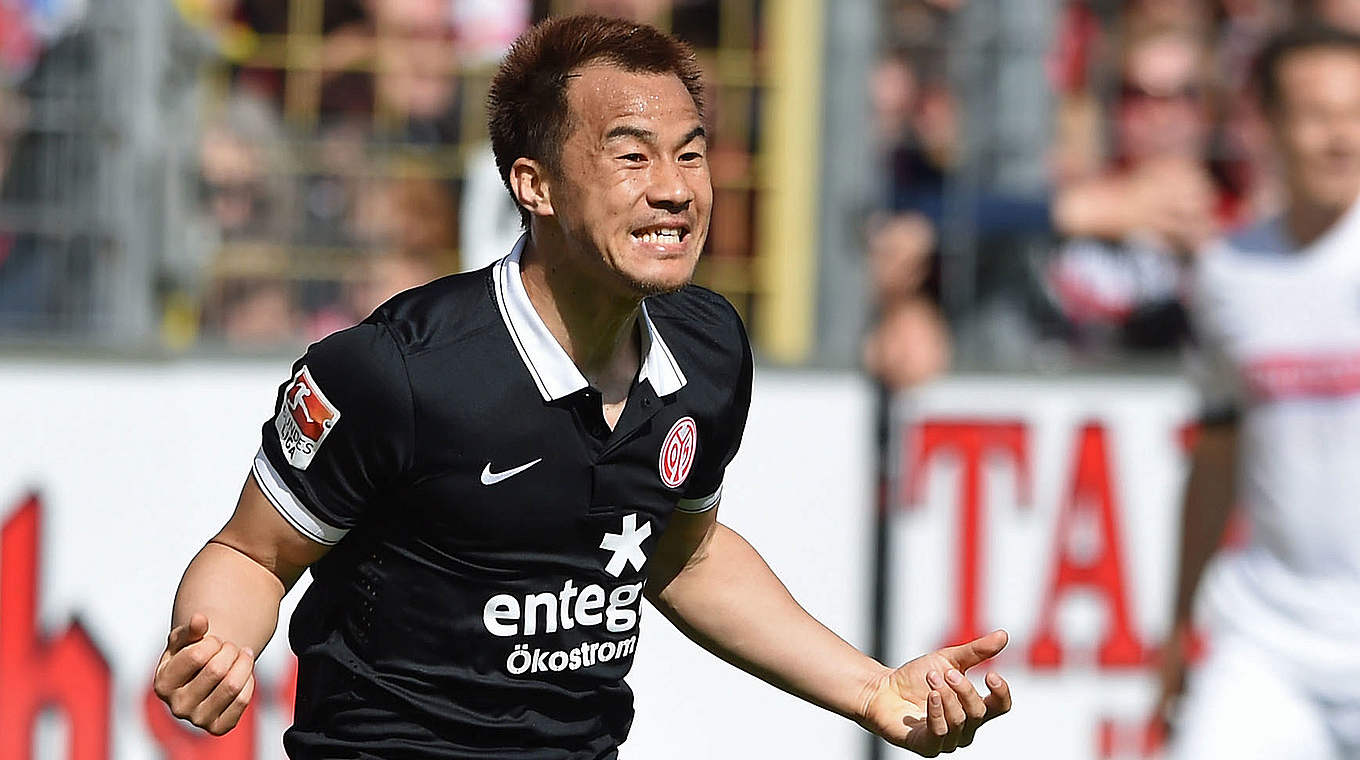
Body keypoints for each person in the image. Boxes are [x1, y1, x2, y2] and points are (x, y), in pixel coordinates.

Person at [152, 15, 1012, 758]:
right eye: (632, 157)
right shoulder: (399, 370)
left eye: (690, 155)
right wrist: (217, 643)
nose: (674, 190)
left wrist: (871, 691)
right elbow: (252, 552)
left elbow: (685, 550)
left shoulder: (705, 351)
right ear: (536, 186)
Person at [1158, 24, 1360, 760]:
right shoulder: (1227, 274)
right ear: (1268, 125)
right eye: (1317, 115)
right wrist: (1179, 622)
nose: (1340, 138)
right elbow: (1217, 454)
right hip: (1269, 642)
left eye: (1355, 113)